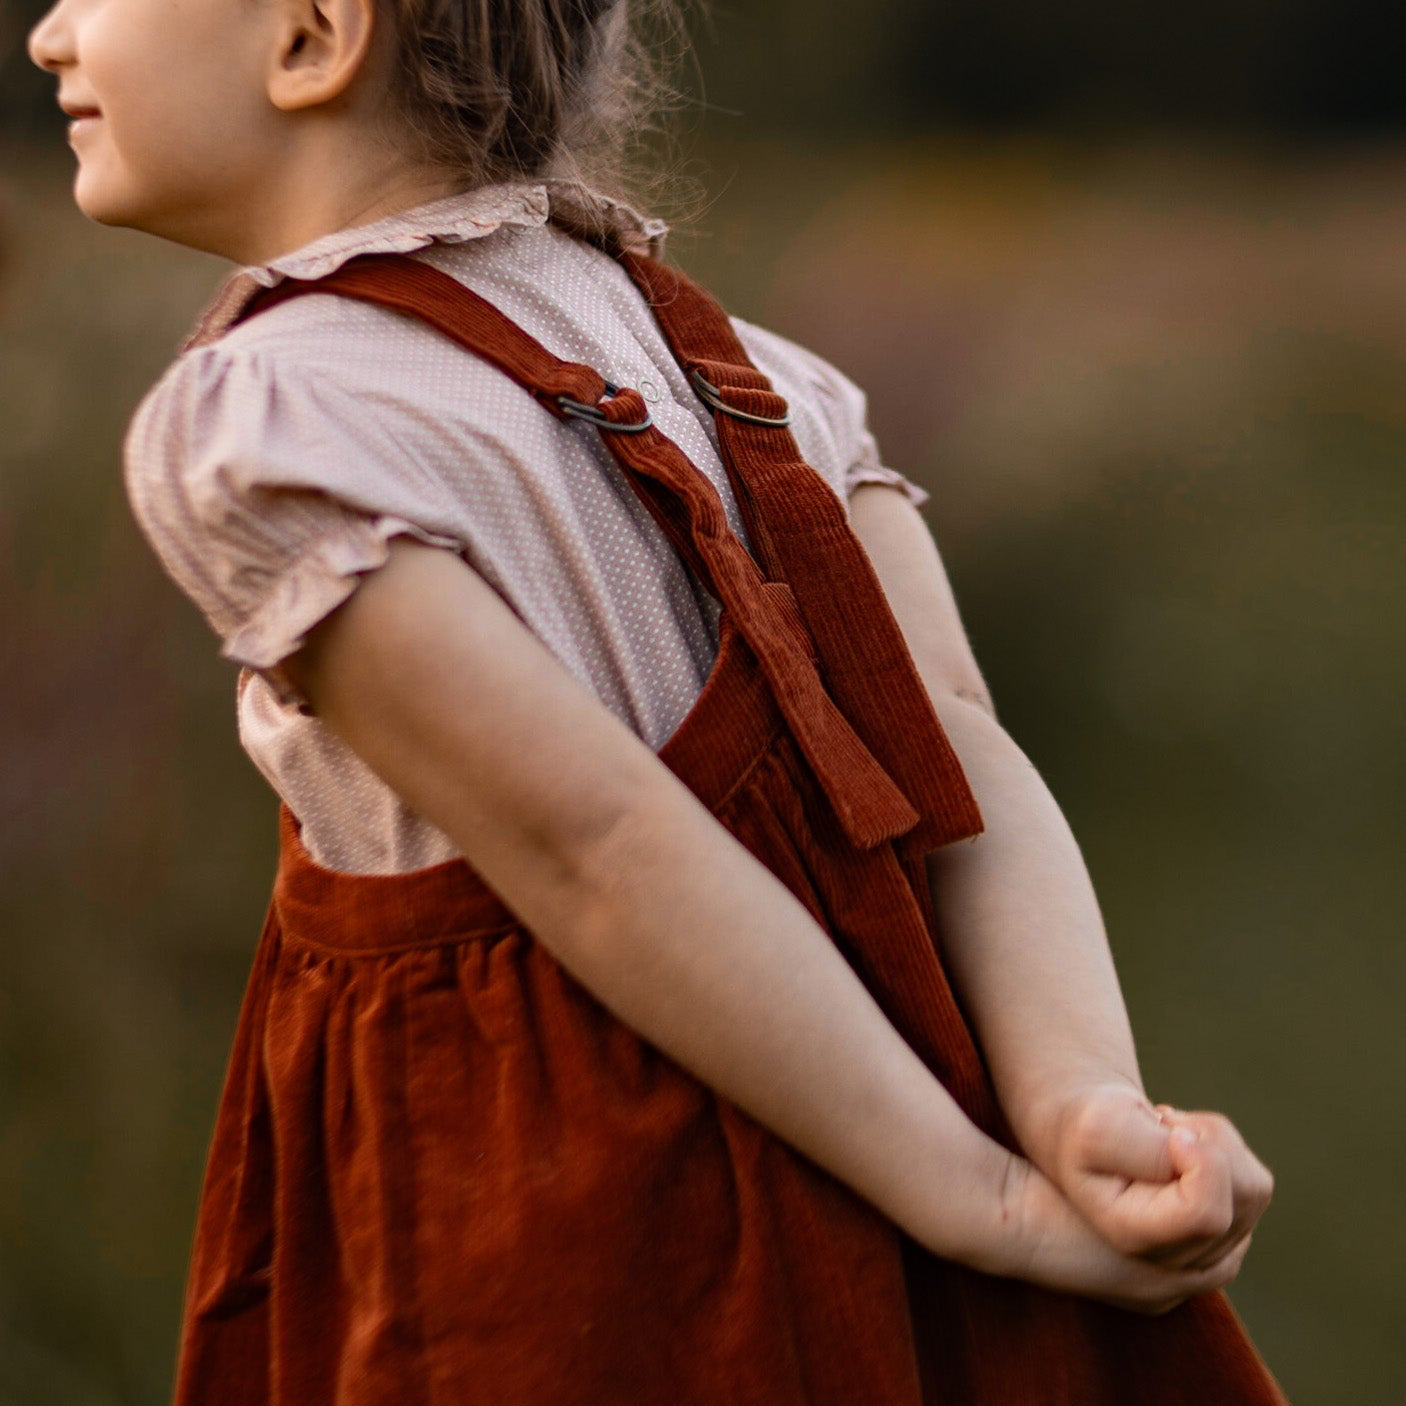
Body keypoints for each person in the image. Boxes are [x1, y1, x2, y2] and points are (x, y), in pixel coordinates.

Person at [29, 0, 1286, 1401]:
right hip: (900, 1165)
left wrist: (982, 1198)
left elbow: (597, 843)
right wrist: (1073, 1103)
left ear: (315, 37)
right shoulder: (770, 382)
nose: (50, 37)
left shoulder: (270, 426)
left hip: (575, 1250)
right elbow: (961, 752)